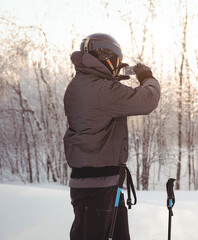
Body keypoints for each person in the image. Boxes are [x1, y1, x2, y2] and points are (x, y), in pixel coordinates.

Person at [63, 33, 161, 240]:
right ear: (107, 57)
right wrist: (147, 77)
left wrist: (112, 78)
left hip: (100, 184)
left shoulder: (84, 84)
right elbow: (148, 100)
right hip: (98, 187)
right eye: (115, 61)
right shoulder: (102, 90)